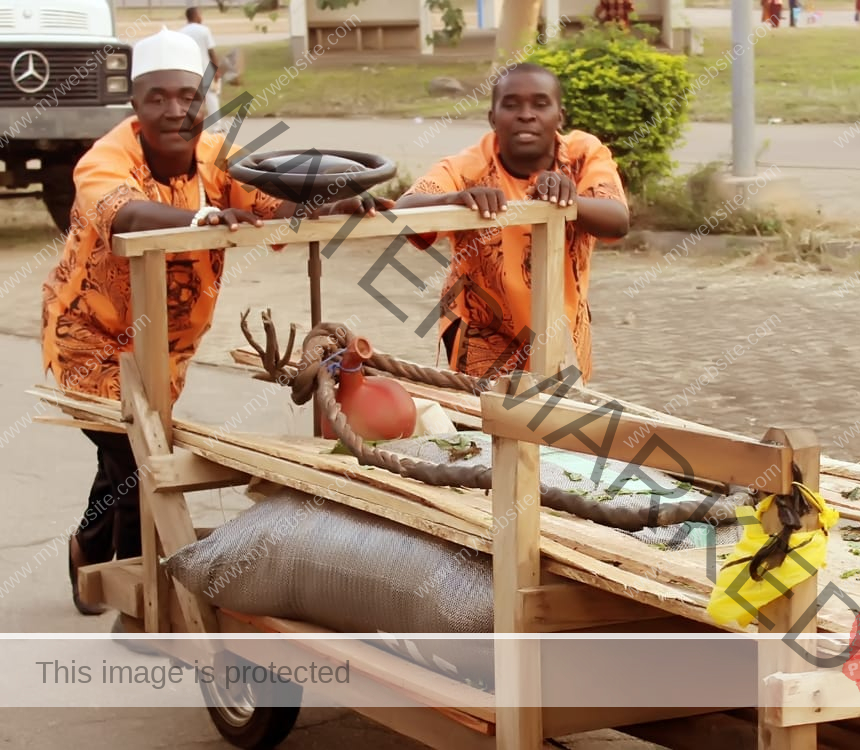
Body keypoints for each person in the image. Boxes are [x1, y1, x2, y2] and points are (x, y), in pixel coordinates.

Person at [42, 28, 385, 625]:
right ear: (134, 103)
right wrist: (199, 215)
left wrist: (327, 201)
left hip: (168, 341)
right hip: (90, 337)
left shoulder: (220, 157)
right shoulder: (105, 158)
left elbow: (269, 206)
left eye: (189, 96)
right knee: (137, 456)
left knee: (133, 453)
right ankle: (138, 590)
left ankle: (95, 553)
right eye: (158, 98)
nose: (176, 110)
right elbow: (121, 212)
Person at [394, 62, 630, 385]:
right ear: (493, 118)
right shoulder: (469, 167)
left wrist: (570, 200)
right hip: (484, 334)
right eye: (511, 104)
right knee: (494, 425)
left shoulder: (582, 155)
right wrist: (455, 199)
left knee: (558, 428)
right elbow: (404, 210)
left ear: (560, 116)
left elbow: (617, 220)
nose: (526, 115)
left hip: (559, 326)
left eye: (540, 104)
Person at [179, 7, 222, 130]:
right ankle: (216, 127)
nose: (201, 17)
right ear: (196, 15)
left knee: (191, 99)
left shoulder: (181, 32)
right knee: (211, 97)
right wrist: (216, 69)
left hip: (189, 70)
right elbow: (211, 51)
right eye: (200, 15)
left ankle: (190, 126)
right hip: (206, 68)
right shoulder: (204, 30)